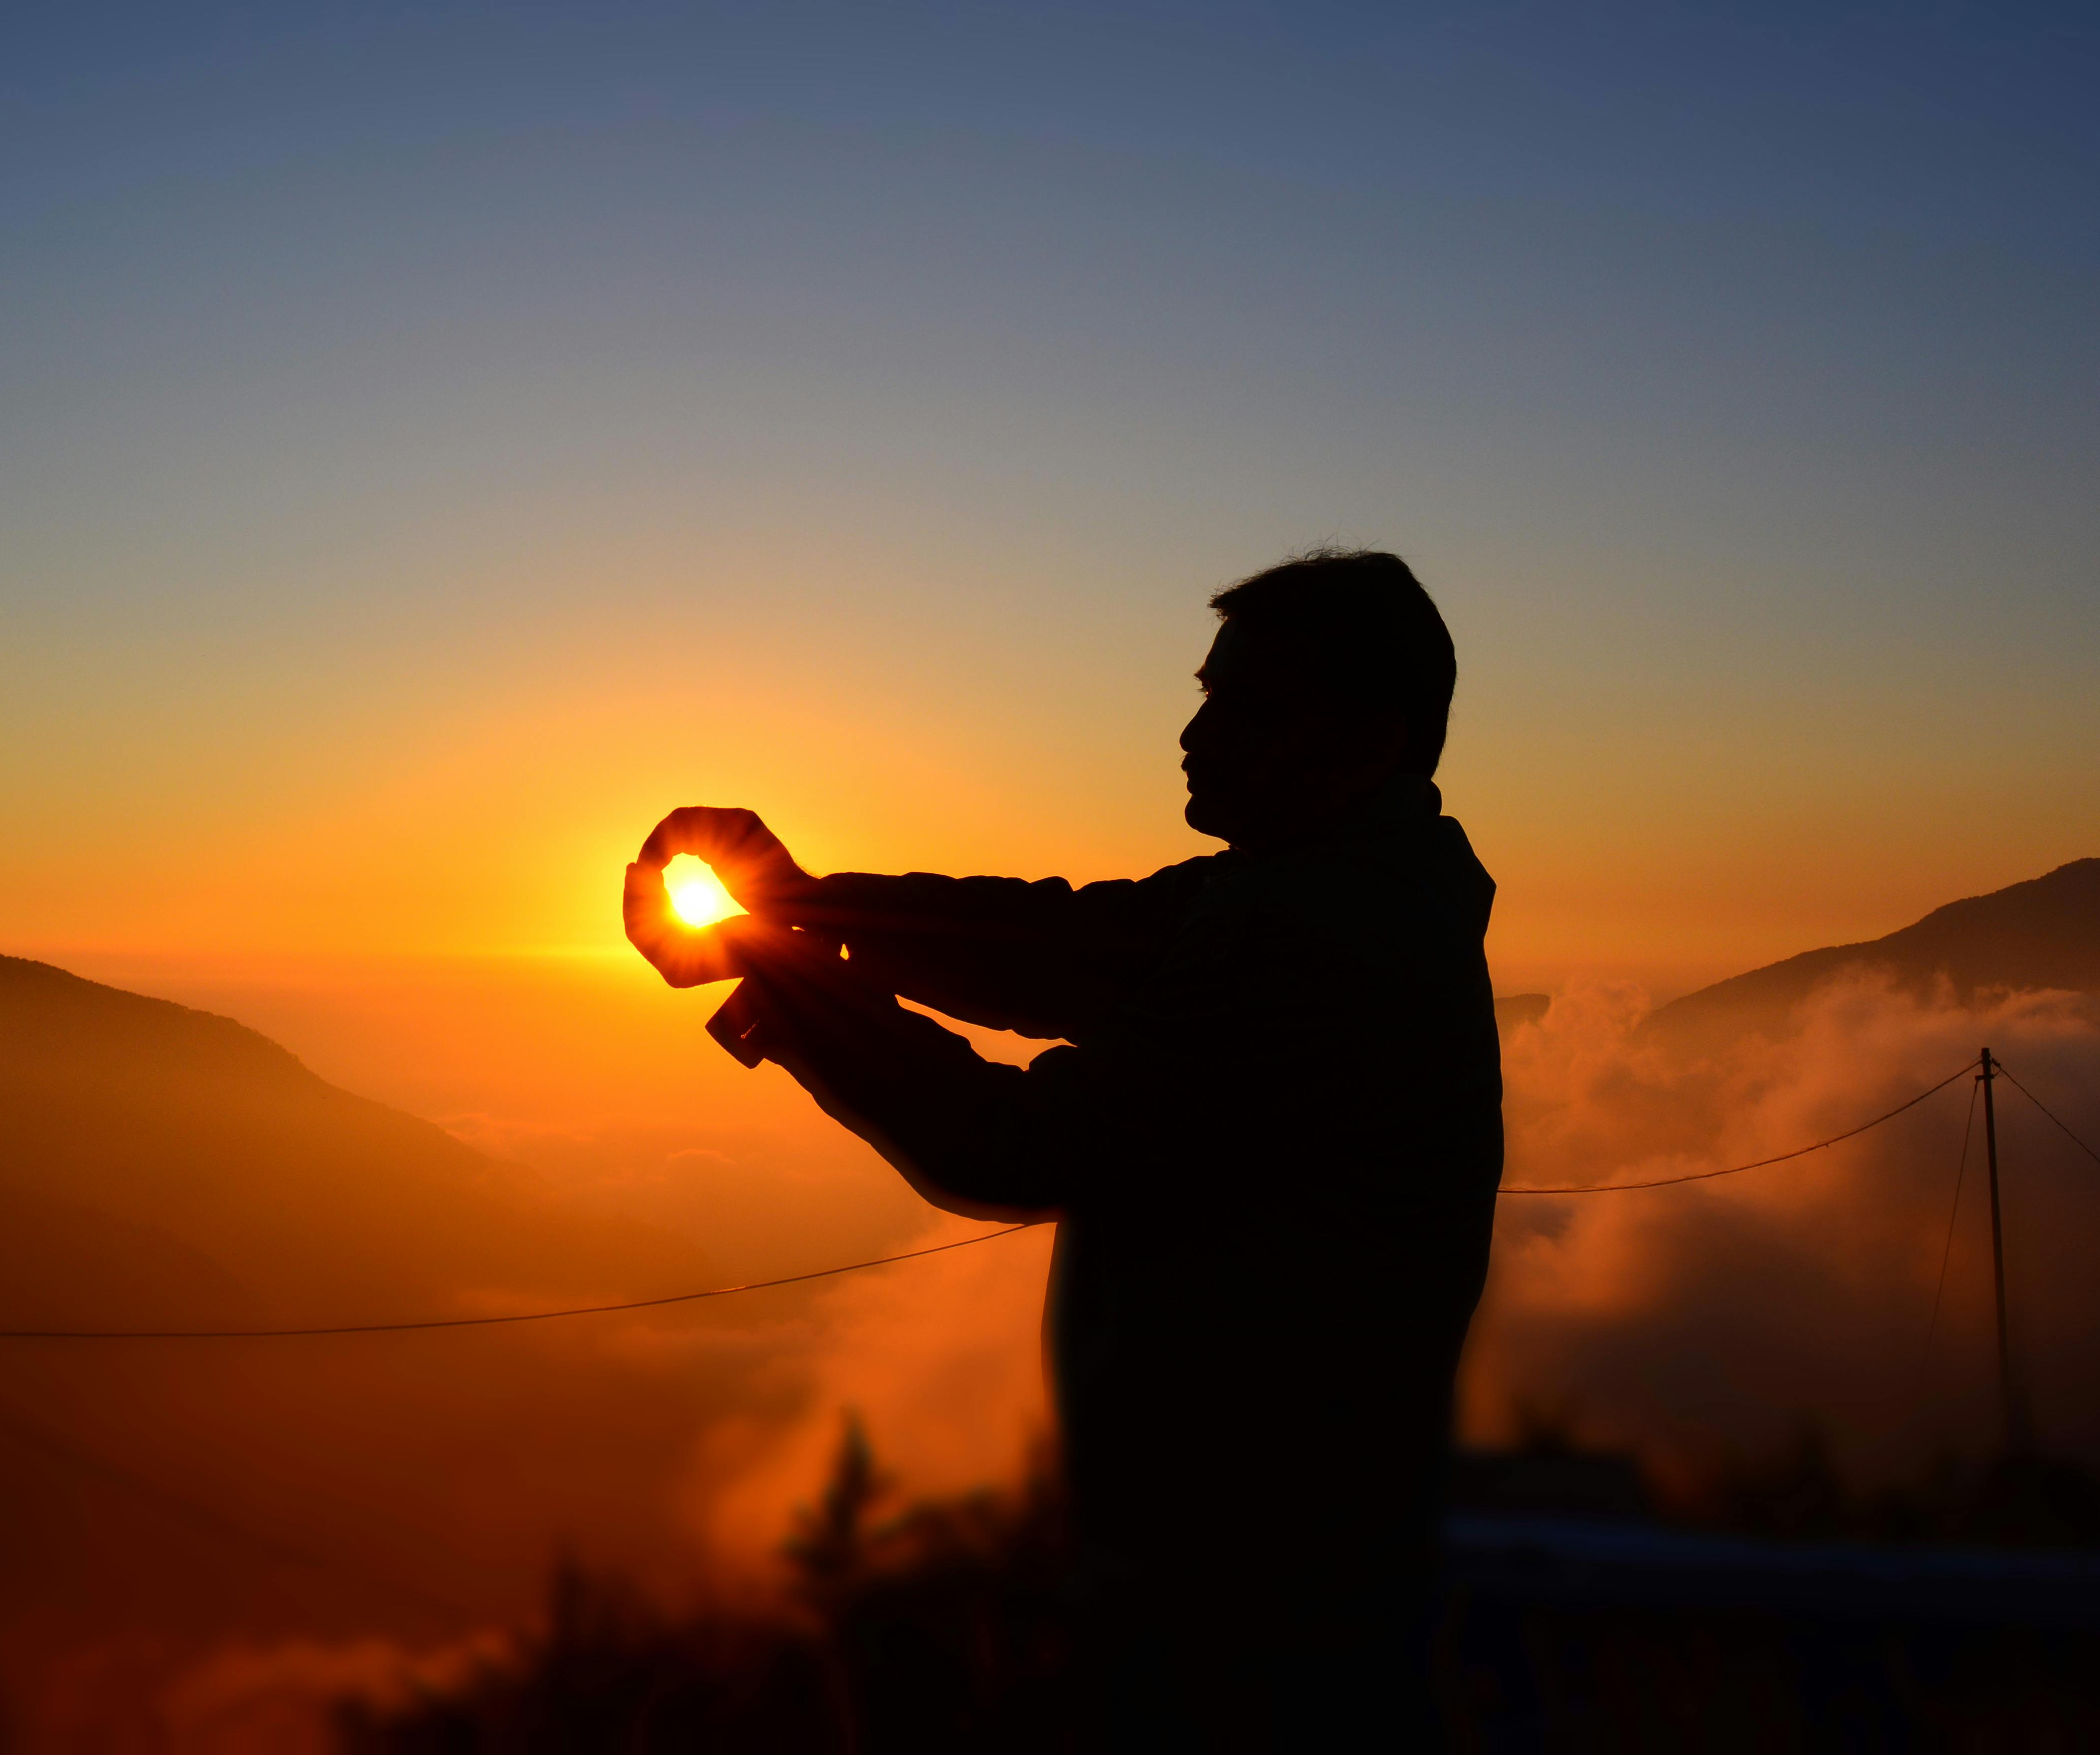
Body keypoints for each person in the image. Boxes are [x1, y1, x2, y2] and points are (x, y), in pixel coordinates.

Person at [624, 549, 1502, 1750]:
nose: (1194, 733)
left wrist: (785, 970)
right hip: (1279, 1561)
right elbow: (1064, 942)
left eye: (1247, 706)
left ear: (1366, 741)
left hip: (1251, 1596)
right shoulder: (1332, 890)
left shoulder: (1318, 936)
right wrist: (798, 907)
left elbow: (1014, 1144)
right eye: (1205, 692)